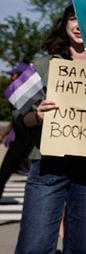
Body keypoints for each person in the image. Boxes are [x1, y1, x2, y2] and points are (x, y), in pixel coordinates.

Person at [14, 4, 86, 254]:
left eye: (85, 19)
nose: (78, 25)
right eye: (73, 18)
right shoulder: (43, 65)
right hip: (48, 166)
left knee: (81, 247)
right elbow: (18, 118)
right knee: (33, 245)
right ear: (64, 24)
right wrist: (36, 116)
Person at [0, 63, 35, 200]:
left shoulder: (28, 93)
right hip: (19, 140)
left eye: (13, 74)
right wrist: (4, 134)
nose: (11, 77)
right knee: (3, 175)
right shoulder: (16, 92)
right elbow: (15, 119)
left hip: (27, 141)